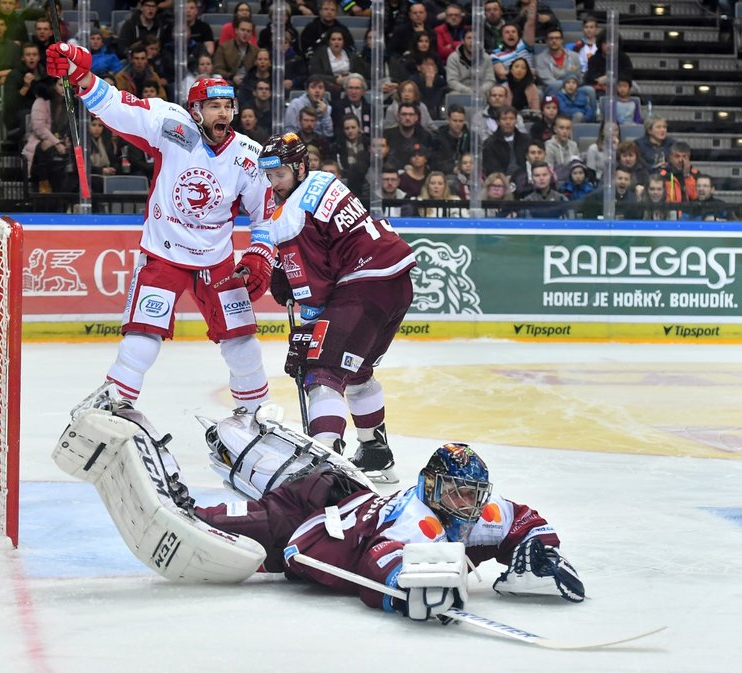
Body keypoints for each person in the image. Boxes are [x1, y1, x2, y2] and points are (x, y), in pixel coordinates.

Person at [56, 403, 586, 620]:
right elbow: (378, 561)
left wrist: (541, 550)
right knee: (200, 520)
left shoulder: (476, 510)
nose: (466, 507)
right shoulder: (418, 520)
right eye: (456, 494)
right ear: (431, 486)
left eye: (473, 495)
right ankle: (139, 434)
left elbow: (522, 521)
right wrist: (410, 588)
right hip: (300, 523)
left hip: (340, 492)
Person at [46, 43, 275, 411]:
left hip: (216, 261)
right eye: (213, 106)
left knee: (243, 344)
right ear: (195, 111)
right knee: (141, 338)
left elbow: (265, 217)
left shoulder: (249, 156)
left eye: (227, 106)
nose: (223, 113)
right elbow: (118, 106)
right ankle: (114, 407)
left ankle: (257, 418)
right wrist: (81, 76)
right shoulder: (171, 125)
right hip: (163, 255)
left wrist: (260, 255)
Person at [258, 132, 414, 475]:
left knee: (322, 372)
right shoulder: (325, 180)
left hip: (365, 286)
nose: (274, 183)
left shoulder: (290, 216)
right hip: (397, 282)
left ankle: (323, 465)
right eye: (268, 175)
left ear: (299, 167)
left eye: (280, 174)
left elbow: (315, 289)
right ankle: (375, 453)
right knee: (356, 372)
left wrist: (310, 331)